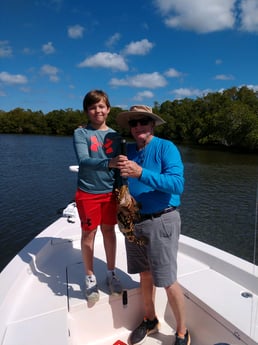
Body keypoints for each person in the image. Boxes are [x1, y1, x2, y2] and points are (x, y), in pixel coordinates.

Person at [114, 105, 190, 345]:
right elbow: (103, 157)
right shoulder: (127, 150)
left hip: (162, 220)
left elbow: (177, 185)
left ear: (153, 124)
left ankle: (181, 332)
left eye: (143, 121)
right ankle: (150, 320)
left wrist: (140, 173)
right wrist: (90, 131)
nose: (138, 127)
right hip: (134, 221)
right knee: (145, 275)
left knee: (167, 280)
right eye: (133, 123)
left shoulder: (166, 147)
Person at [73, 89, 122, 302]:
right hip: (88, 193)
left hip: (111, 193)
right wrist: (108, 163)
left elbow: (120, 168)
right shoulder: (81, 133)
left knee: (110, 232)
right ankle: (90, 277)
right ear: (87, 111)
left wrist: (122, 191)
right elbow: (84, 160)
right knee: (88, 234)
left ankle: (111, 273)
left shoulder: (116, 136)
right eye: (92, 107)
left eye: (101, 106)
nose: (97, 110)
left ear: (108, 109)